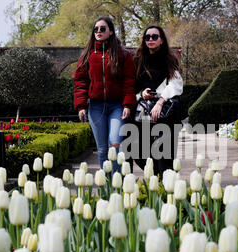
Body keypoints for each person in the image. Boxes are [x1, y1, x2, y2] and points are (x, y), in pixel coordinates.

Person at [73, 16, 136, 172]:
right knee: (102, 150)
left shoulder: (123, 55)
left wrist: (128, 103)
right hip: (95, 106)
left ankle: (117, 184)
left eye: (102, 29)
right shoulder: (87, 56)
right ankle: (107, 188)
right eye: (96, 29)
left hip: (117, 106)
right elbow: (80, 82)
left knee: (114, 144)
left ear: (111, 31)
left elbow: (129, 81)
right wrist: (81, 106)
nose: (98, 31)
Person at [132, 25, 183, 175]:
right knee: (140, 154)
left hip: (165, 113)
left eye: (155, 36)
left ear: (161, 40)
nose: (150, 40)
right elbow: (131, 86)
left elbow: (176, 85)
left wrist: (160, 101)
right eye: (147, 37)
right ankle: (157, 178)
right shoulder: (137, 61)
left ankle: (165, 186)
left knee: (164, 156)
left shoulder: (170, 60)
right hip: (143, 113)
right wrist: (141, 94)